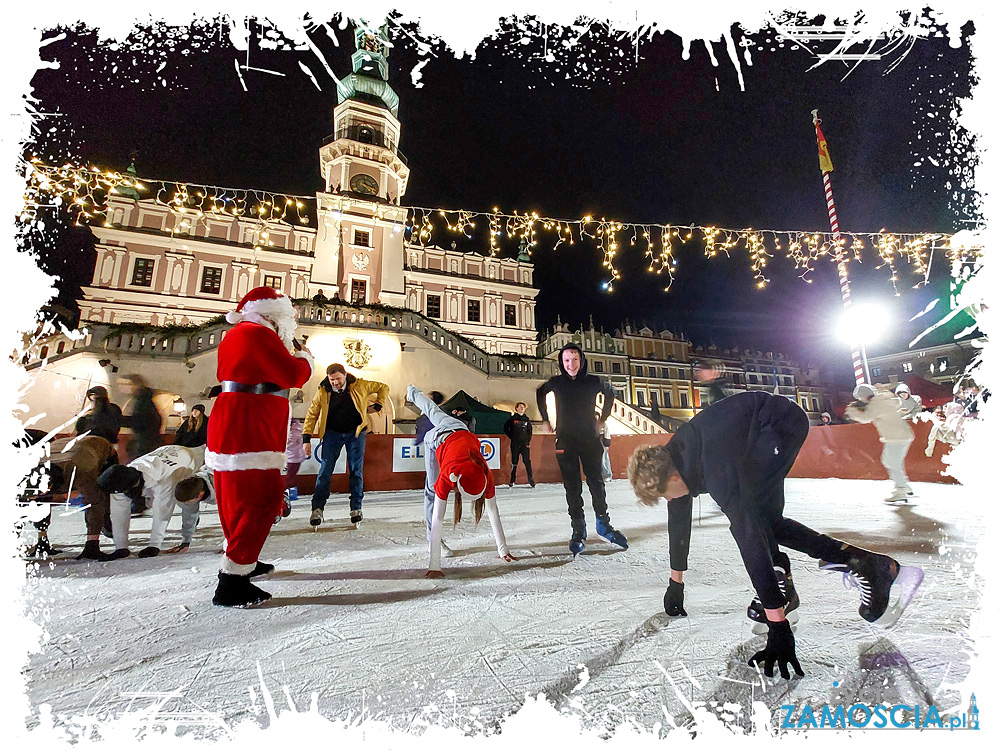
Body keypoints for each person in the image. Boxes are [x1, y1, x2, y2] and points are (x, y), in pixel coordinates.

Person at [626, 391, 925, 680]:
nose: (670, 500)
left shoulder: (715, 470)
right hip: (752, 434)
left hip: (780, 424)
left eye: (665, 494)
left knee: (755, 521)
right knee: (767, 521)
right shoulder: (674, 458)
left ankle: (788, 586)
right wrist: (675, 582)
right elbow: (678, 518)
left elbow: (748, 539)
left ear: (674, 477)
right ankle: (866, 565)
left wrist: (777, 625)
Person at [206, 286, 314, 607]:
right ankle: (233, 581)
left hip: (237, 423)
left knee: (235, 498)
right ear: (273, 315)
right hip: (249, 427)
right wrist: (305, 357)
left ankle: (242, 561)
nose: (289, 325)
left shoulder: (239, 334)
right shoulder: (258, 334)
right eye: (287, 318)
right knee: (264, 499)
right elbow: (293, 374)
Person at [407, 384, 514, 577]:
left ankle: (413, 392)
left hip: (459, 427)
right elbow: (438, 518)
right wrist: (434, 565)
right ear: (456, 485)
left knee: (433, 410)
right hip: (437, 439)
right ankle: (435, 542)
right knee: (432, 490)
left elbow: (492, 510)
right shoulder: (449, 474)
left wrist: (503, 549)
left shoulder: (485, 473)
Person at [536, 343, 627, 555]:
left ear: (581, 360)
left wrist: (602, 419)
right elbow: (540, 392)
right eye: (566, 360)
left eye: (574, 359)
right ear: (561, 362)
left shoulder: (593, 381)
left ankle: (603, 525)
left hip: (589, 439)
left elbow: (610, 393)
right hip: (566, 440)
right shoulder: (557, 383)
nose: (571, 364)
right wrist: (545, 419)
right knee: (572, 486)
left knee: (596, 483)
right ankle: (578, 530)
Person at [302, 363, 388, 529]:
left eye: (338, 379)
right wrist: (306, 438)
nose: (336, 383)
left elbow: (383, 387)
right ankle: (317, 509)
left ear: (345, 375)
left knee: (356, 470)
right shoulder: (323, 391)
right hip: (332, 434)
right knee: (325, 471)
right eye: (332, 380)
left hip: (355, 433)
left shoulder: (360, 385)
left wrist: (379, 404)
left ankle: (356, 508)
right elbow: (312, 414)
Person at [97, 443, 208, 558]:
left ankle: (192, 522)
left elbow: (163, 510)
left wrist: (154, 545)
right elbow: (118, 514)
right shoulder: (121, 477)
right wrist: (121, 547)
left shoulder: (165, 477)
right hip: (167, 454)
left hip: (188, 460)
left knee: (184, 499)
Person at [26, 435, 120, 560]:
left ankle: (102, 527)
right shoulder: (28, 471)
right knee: (41, 501)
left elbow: (93, 502)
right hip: (61, 450)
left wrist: (92, 544)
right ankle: (42, 541)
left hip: (99, 448)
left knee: (101, 492)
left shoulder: (81, 470)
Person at [844, 383, 914, 502]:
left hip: (895, 437)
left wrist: (852, 412)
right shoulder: (884, 399)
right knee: (893, 461)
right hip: (902, 435)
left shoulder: (877, 404)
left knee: (891, 462)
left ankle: (900, 489)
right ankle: (904, 485)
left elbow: (866, 417)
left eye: (861, 398)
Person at [118, 374, 163, 461]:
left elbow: (140, 421)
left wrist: (117, 420)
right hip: (145, 443)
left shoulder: (142, 401)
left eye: (125, 384)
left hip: (144, 445)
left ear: (135, 385)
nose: (121, 387)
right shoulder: (141, 399)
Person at [503, 402, 534, 488]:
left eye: (523, 407)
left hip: (525, 444)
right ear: (516, 408)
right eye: (520, 407)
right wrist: (512, 437)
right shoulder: (512, 419)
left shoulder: (526, 419)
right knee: (514, 462)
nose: (522, 408)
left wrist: (528, 442)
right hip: (515, 444)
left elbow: (530, 432)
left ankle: (531, 479)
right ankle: (512, 480)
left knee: (527, 461)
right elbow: (506, 428)